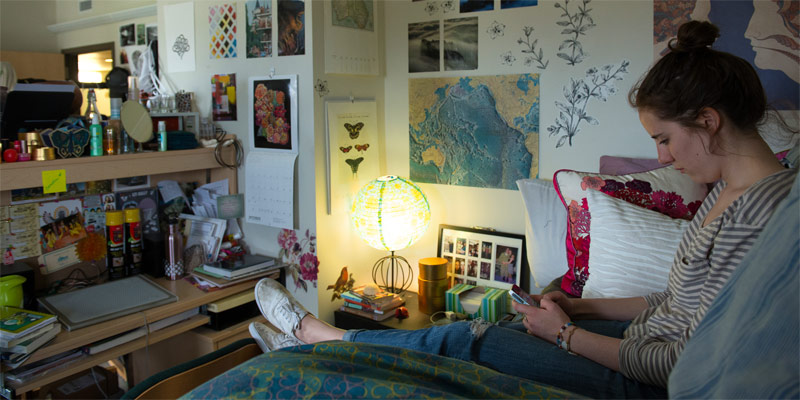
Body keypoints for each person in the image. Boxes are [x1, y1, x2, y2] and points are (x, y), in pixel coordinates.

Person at [249, 21, 797, 398]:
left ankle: (317, 339)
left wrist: (565, 337)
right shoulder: (726, 192)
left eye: (664, 140)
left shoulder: (765, 217)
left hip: (643, 381)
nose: (663, 157)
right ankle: (315, 344)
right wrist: (580, 310)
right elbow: (674, 301)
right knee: (493, 325)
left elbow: (687, 362)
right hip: (636, 337)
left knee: (472, 339)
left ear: (707, 120)